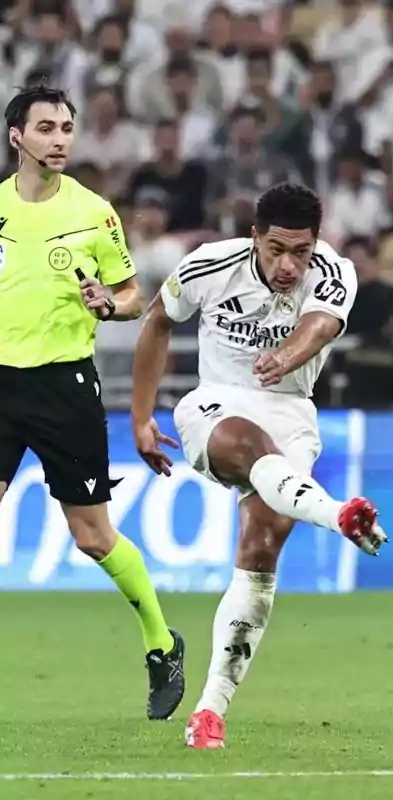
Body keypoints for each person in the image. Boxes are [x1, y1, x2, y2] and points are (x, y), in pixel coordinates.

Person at [129, 183, 389, 750]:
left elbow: (322, 325)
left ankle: (209, 711)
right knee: (247, 444)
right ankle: (339, 513)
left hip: (292, 412)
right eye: (276, 250)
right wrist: (142, 417)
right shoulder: (208, 265)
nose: (289, 264)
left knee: (261, 547)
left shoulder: (335, 270)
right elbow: (156, 323)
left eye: (301, 251)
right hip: (217, 403)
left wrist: (288, 354)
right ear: (255, 237)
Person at [0, 85, 185, 721]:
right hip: (1, 383)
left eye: (68, 128)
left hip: (64, 386)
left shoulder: (94, 212)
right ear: (16, 136)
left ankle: (162, 644)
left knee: (93, 537)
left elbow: (133, 293)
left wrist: (112, 306)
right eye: (47, 127)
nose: (60, 139)